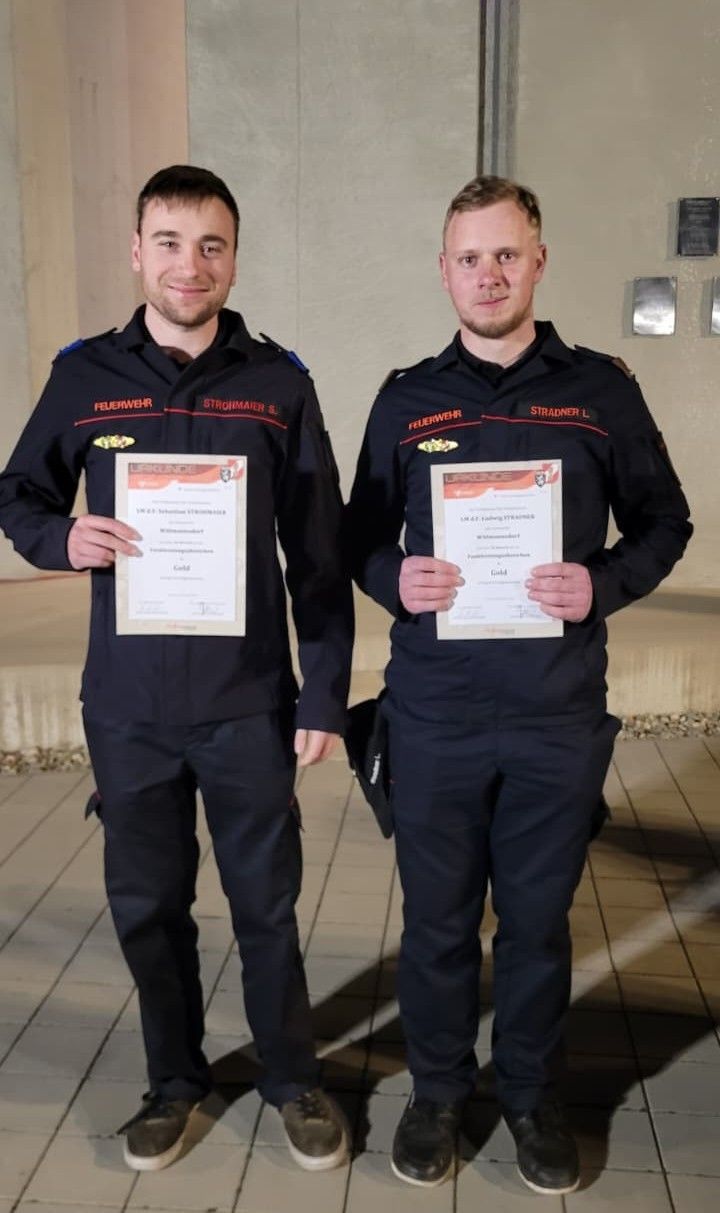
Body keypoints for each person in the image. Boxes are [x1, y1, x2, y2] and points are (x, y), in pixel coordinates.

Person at [0, 165, 353, 1173]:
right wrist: (57, 541)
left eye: (210, 244)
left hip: (248, 703)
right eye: (168, 240)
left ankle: (292, 1078)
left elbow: (320, 555)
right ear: (137, 250)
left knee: (266, 908)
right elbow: (17, 493)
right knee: (149, 906)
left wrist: (322, 692)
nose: (188, 264)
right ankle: (175, 1081)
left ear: (234, 256)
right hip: (131, 708)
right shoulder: (84, 376)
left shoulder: (280, 382)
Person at [346, 175, 691, 1193]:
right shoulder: (408, 397)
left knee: (539, 924)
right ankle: (439, 1093)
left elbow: (666, 522)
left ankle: (536, 1098)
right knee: (439, 923)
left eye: (506, 254)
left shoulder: (600, 392)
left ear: (538, 261)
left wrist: (600, 583)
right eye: (468, 256)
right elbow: (359, 535)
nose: (487, 274)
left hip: (553, 712)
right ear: (443, 268)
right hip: (436, 714)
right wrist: (390, 577)